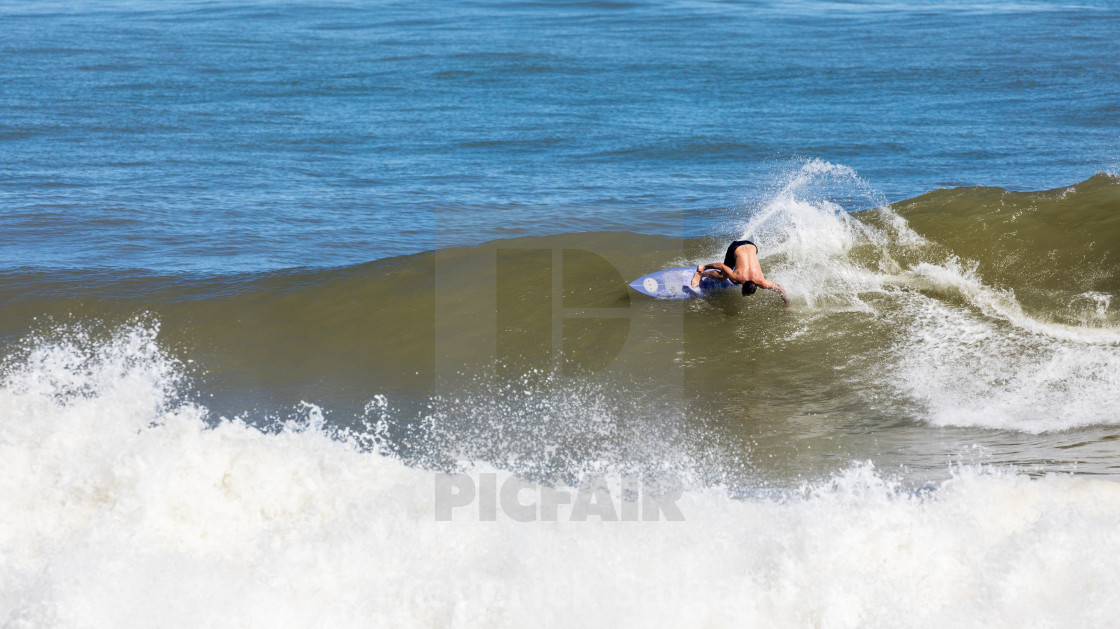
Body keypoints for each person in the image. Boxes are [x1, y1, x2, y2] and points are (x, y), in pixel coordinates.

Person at [691, 239, 789, 304]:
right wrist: (704, 267)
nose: (744, 295)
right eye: (745, 293)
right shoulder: (736, 278)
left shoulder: (762, 281)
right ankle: (701, 274)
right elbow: (721, 266)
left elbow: (780, 288)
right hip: (735, 247)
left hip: (751, 245)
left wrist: (787, 303)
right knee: (723, 277)